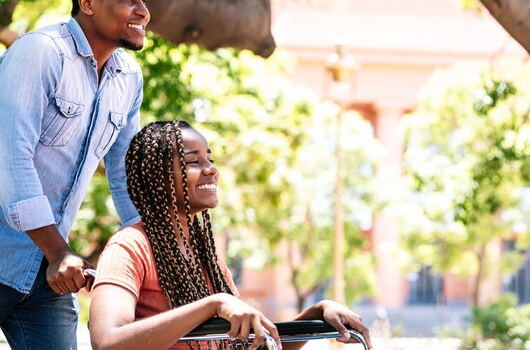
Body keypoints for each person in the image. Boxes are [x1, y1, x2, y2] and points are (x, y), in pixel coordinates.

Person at [89, 121, 374, 350]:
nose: (211, 169)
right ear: (157, 176)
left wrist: (316, 313)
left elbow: (254, 343)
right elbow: (107, 342)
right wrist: (214, 304)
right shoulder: (129, 247)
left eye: (210, 159)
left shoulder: (205, 254)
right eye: (194, 161)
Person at [0, 0, 149, 349]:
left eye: (144, 0)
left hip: (45, 273)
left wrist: (155, 252)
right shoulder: (40, 52)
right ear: (88, 2)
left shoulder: (128, 77)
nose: (143, 11)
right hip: (35, 254)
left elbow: (124, 174)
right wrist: (58, 251)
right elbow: (11, 158)